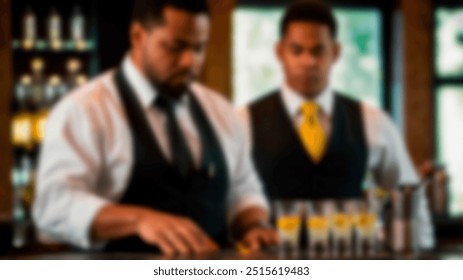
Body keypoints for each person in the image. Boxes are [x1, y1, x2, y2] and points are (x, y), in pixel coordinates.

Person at [33, 0, 278, 255]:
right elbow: (54, 206)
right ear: (138, 35)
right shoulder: (85, 110)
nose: (189, 61)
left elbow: (243, 189)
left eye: (199, 48)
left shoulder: (220, 110)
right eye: (175, 47)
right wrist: (139, 219)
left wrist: (253, 224)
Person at [238, 0, 434, 248]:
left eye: (318, 51)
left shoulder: (372, 120)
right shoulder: (244, 121)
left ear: (336, 52)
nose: (308, 62)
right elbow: (232, 197)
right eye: (297, 50)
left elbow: (409, 195)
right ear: (280, 52)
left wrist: (423, 253)